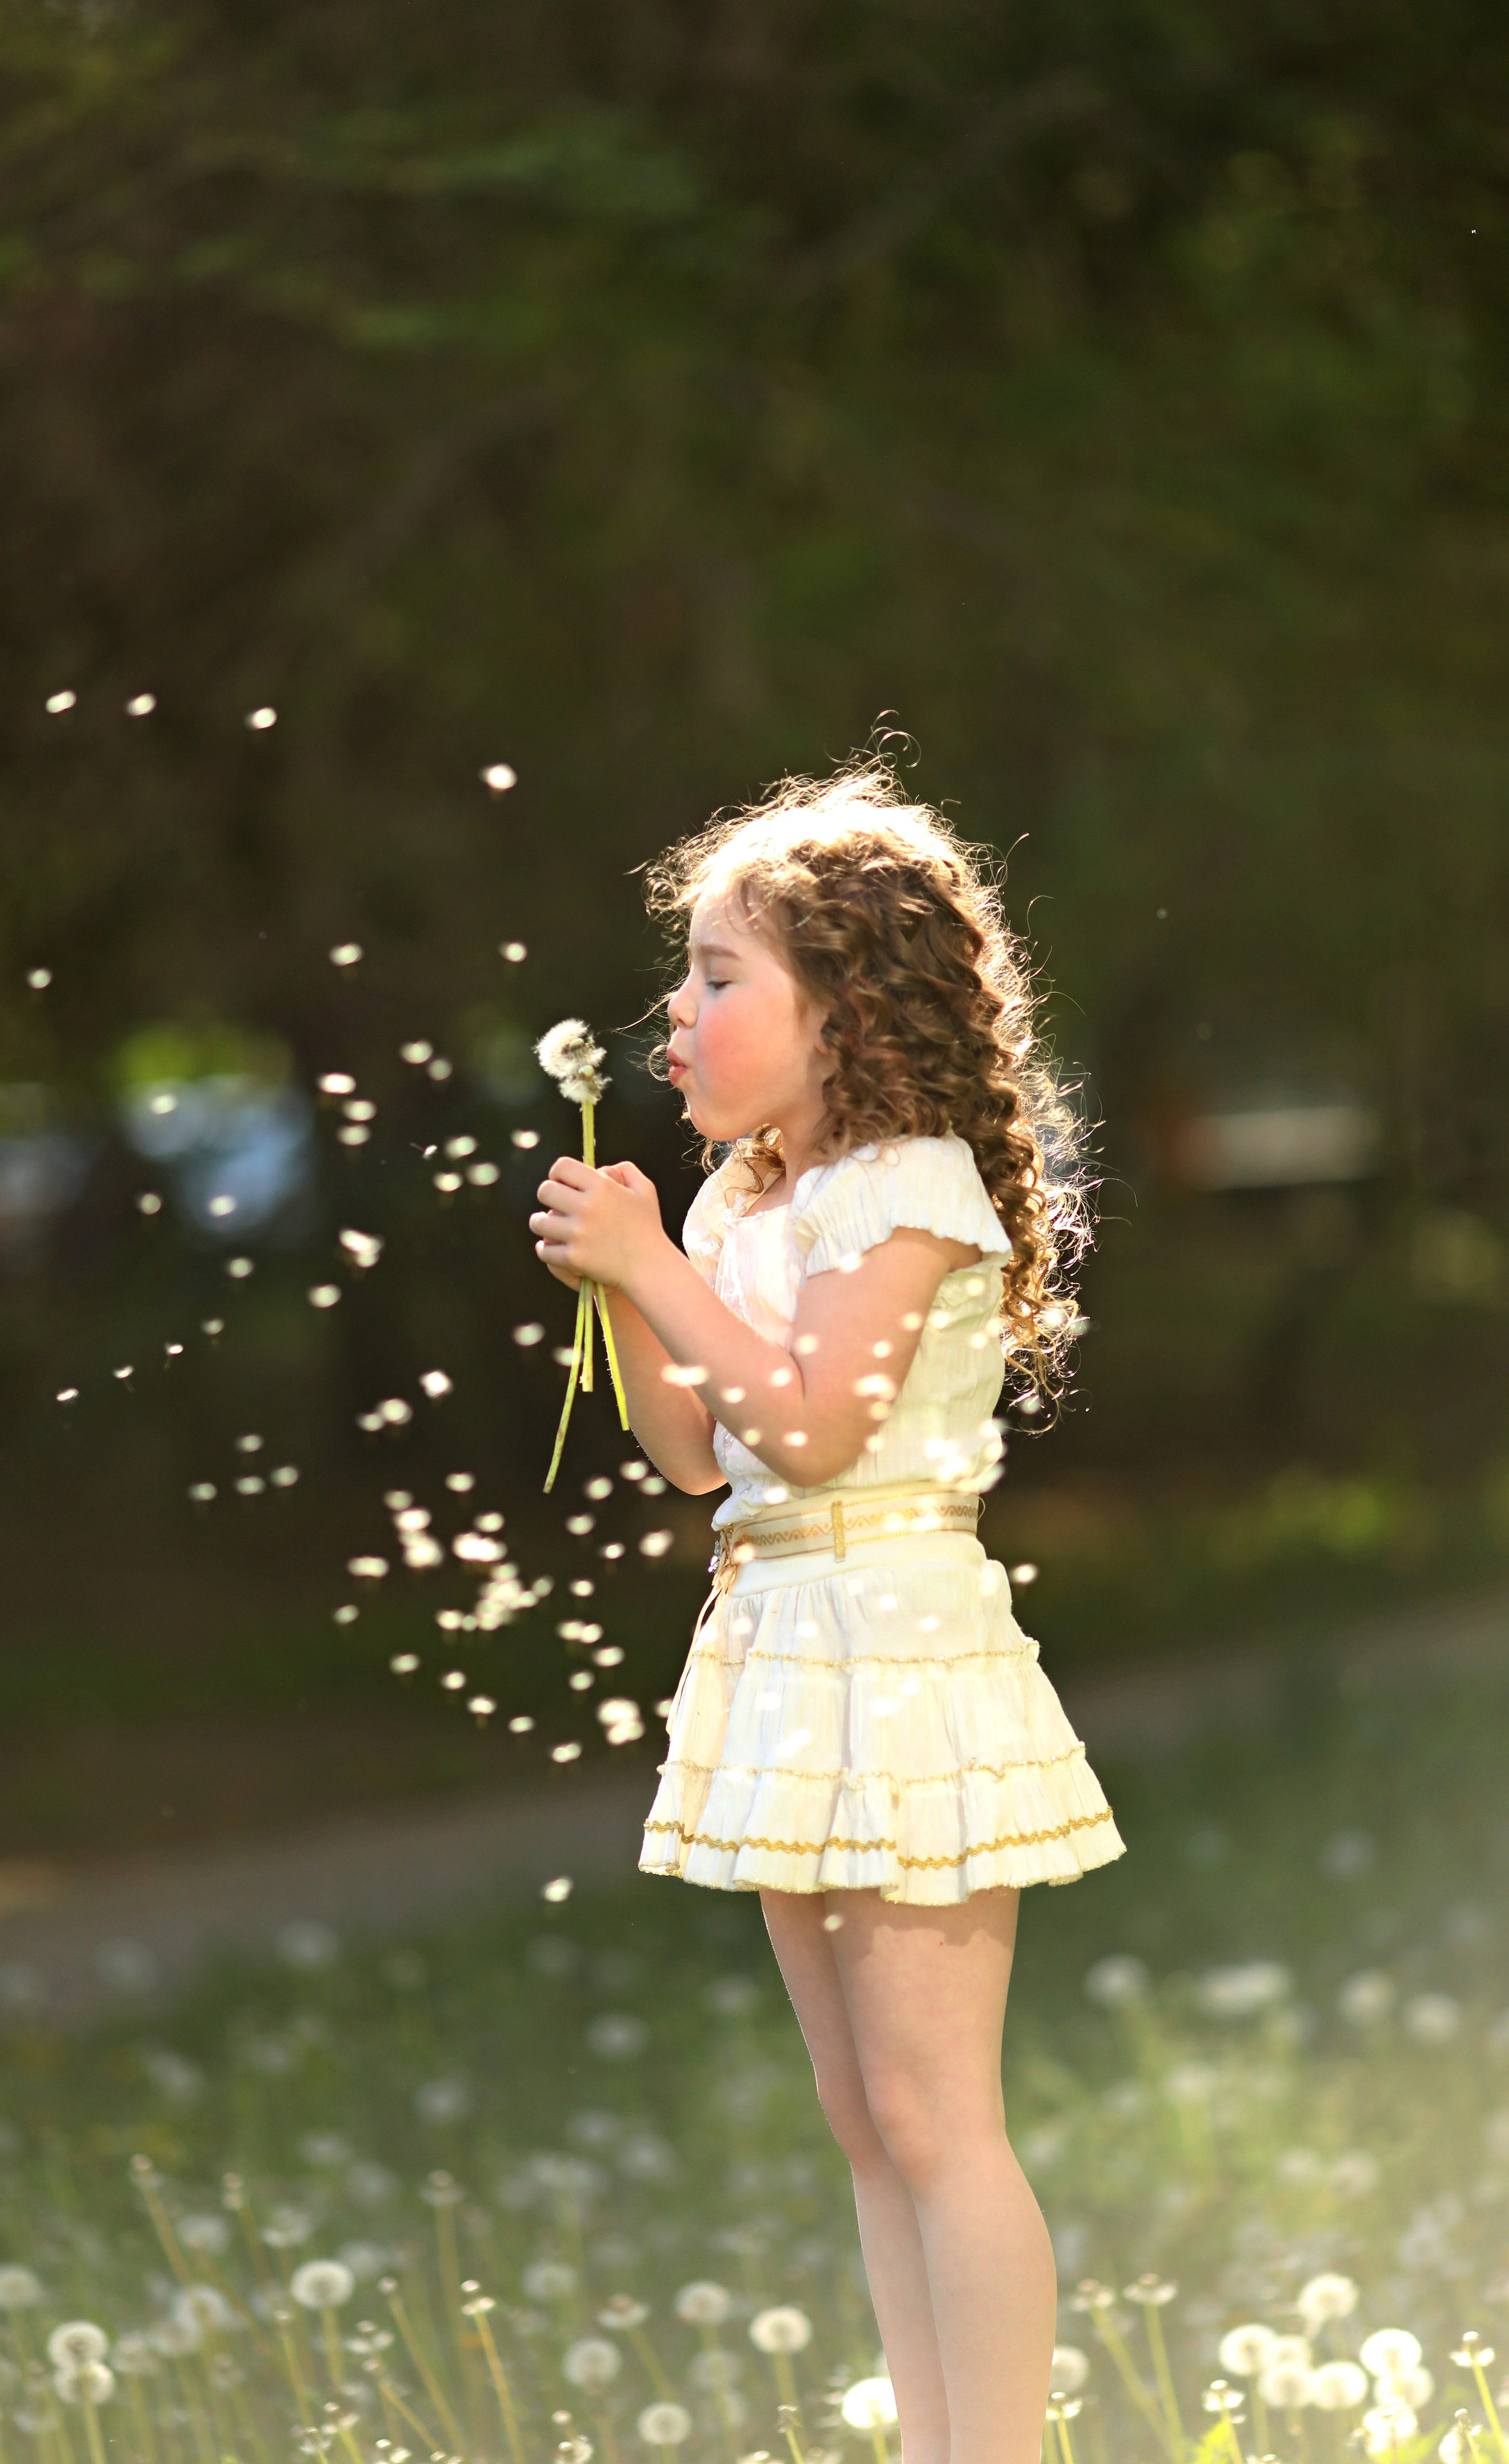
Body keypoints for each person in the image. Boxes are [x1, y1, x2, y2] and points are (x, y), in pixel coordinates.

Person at [528, 757, 1125, 2464]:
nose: (683, 1007)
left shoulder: (916, 1187)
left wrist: (655, 1276)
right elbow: (701, 1458)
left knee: (941, 2117)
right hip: (787, 1643)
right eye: (689, 974)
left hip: (902, 1642)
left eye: (722, 978)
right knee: (866, 2120)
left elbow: (815, 1423)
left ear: (847, 1009)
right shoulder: (743, 1201)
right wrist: (637, 1298)